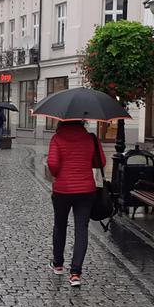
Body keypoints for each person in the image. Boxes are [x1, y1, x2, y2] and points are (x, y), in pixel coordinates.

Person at [46, 120, 106, 287]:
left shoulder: (57, 139)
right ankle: (75, 273)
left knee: (60, 226)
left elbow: (53, 164)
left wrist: (58, 174)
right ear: (82, 122)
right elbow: (100, 162)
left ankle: (58, 264)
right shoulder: (90, 138)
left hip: (62, 191)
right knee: (81, 229)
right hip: (86, 191)